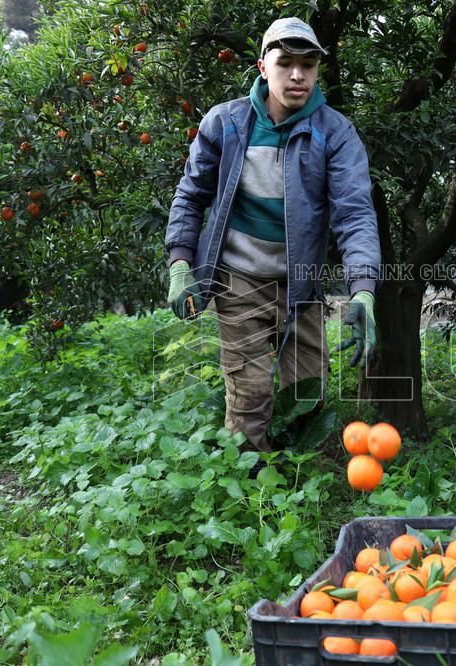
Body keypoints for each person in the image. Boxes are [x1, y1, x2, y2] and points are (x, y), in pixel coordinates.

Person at [163, 17, 381, 453]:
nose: (297, 75)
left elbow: (355, 213)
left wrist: (363, 290)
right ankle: (249, 494)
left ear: (318, 69)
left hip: (301, 283)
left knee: (305, 396)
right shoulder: (225, 123)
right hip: (239, 278)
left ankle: (296, 496)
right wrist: (181, 262)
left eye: (308, 64)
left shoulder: (334, 133)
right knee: (250, 395)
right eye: (286, 63)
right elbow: (191, 196)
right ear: (264, 67)